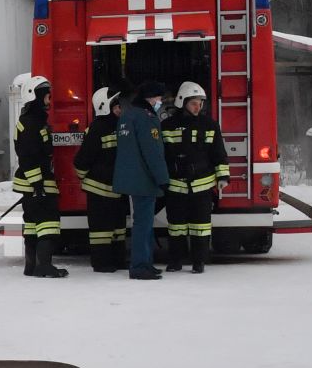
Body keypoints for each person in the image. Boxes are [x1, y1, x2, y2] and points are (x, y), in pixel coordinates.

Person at [161, 81, 230, 273]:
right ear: (182, 102)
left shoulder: (210, 125)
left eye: (200, 103)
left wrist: (223, 176)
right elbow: (161, 155)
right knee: (176, 227)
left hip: (202, 185)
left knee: (201, 227)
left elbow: (219, 153)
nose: (198, 106)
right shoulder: (167, 125)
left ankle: (199, 261)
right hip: (175, 185)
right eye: (194, 103)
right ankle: (176, 260)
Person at [11, 73, 68, 278]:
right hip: (37, 182)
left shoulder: (34, 121)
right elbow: (27, 155)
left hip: (36, 182)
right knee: (48, 222)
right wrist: (37, 183)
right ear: (34, 97)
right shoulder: (30, 123)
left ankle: (32, 266)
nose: (49, 100)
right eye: (46, 96)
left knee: (34, 224)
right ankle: (43, 266)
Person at [112, 80, 170, 280]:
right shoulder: (146, 118)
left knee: (142, 222)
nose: (160, 102)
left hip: (131, 177)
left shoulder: (127, 115)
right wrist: (163, 178)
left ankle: (145, 262)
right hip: (144, 179)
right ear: (150, 98)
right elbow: (152, 151)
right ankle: (140, 266)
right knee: (143, 224)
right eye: (159, 98)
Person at [74, 85, 128, 273]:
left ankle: (116, 260)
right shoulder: (97, 129)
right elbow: (82, 160)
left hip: (115, 188)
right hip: (101, 189)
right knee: (102, 230)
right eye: (116, 106)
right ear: (106, 106)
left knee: (118, 228)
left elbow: (82, 164)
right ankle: (103, 263)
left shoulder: (119, 126)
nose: (120, 109)